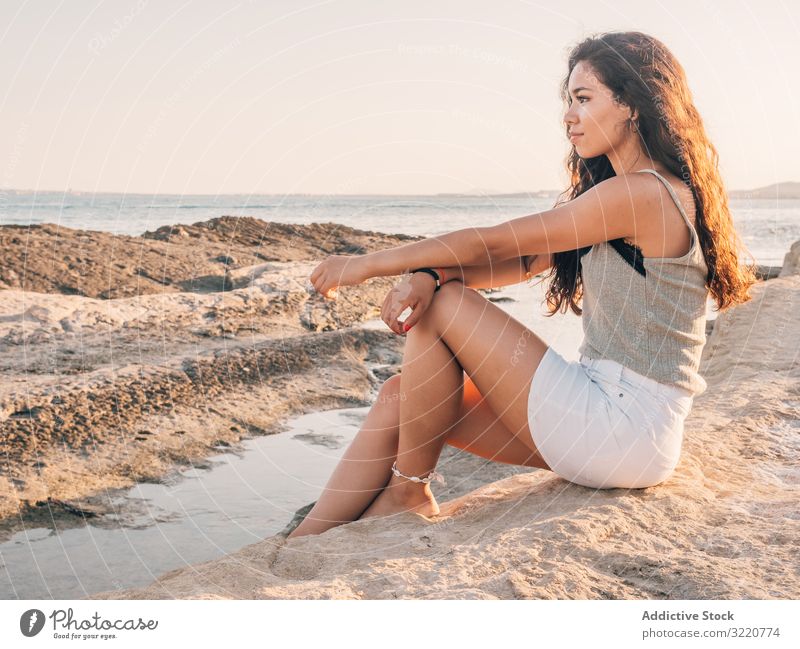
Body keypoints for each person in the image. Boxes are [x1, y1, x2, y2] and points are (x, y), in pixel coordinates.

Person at [287, 30, 757, 539]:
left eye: (584, 98)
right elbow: (522, 261)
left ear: (631, 105)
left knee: (444, 306)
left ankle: (408, 492)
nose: (568, 116)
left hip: (622, 425)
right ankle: (305, 540)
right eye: (568, 101)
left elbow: (492, 244)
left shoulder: (643, 194)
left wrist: (368, 265)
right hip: (612, 422)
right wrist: (427, 272)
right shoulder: (617, 194)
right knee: (402, 398)